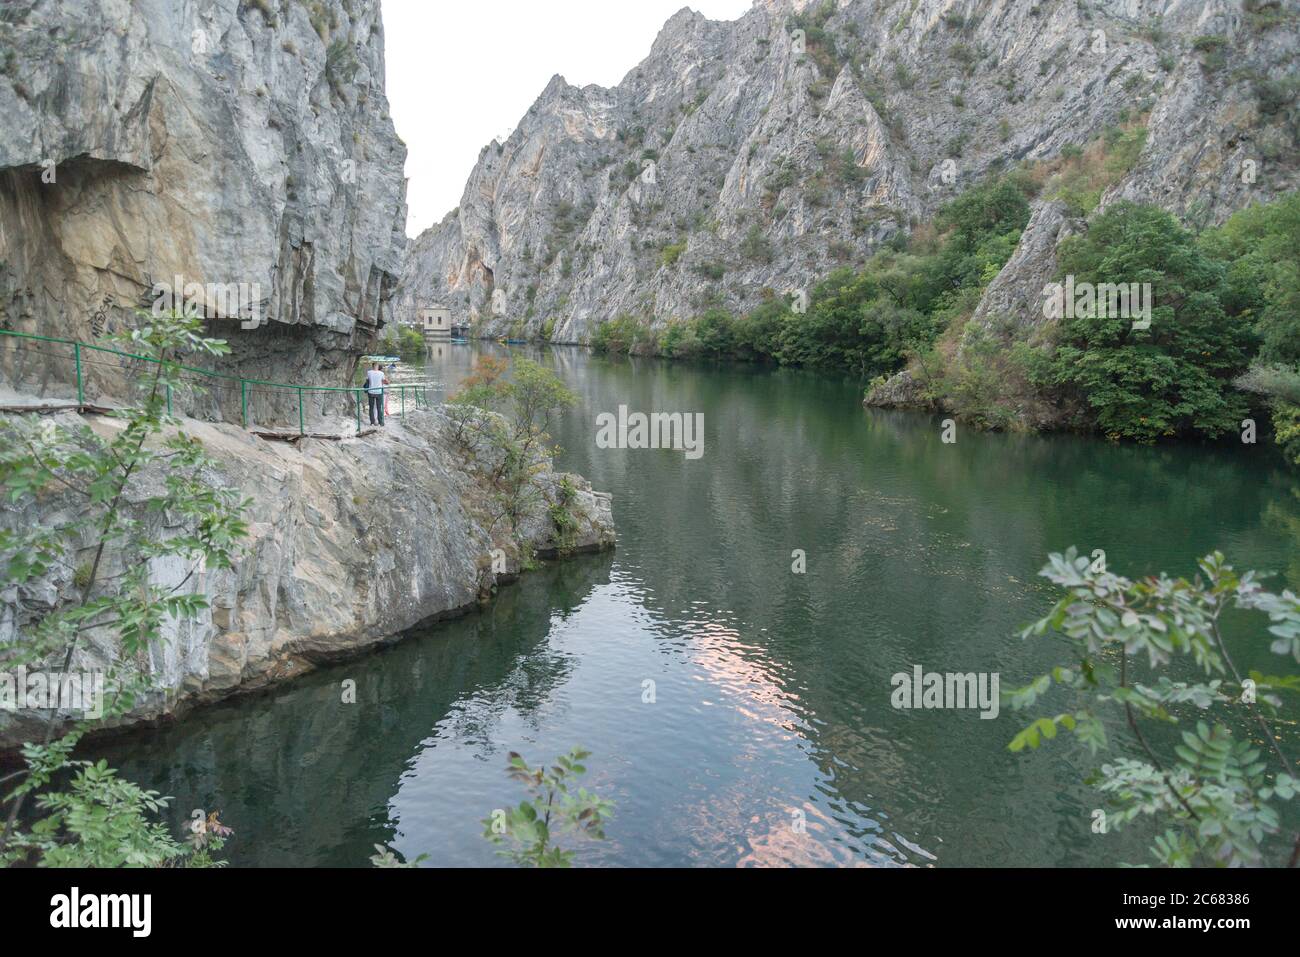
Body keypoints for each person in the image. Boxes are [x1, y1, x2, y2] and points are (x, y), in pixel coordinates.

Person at [364, 362, 386, 427]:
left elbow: (367, 381)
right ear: (378, 366)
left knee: (371, 408)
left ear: (372, 366)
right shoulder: (381, 373)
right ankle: (380, 422)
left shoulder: (369, 372)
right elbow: (384, 381)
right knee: (379, 408)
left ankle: (372, 422)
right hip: (379, 392)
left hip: (371, 392)